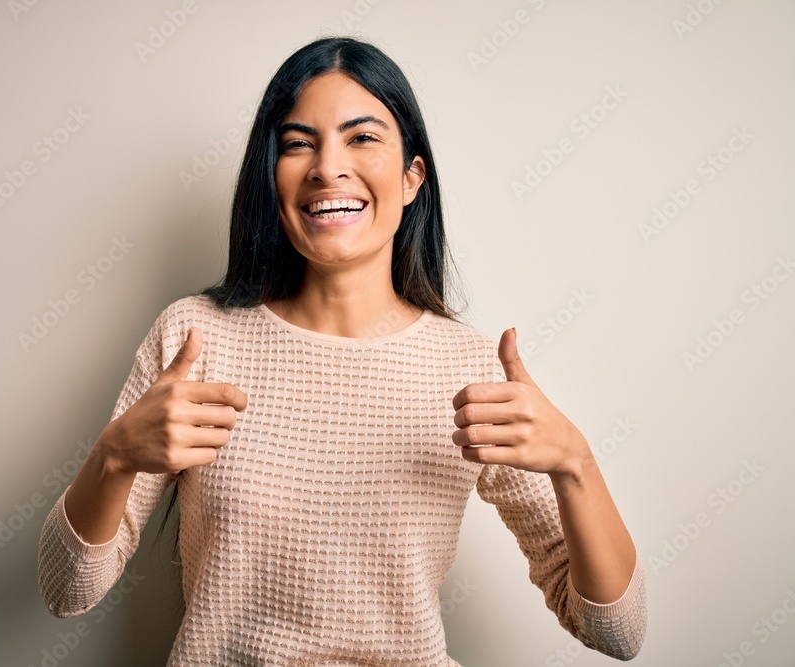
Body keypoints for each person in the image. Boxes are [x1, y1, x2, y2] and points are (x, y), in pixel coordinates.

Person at [37, 36, 646, 665]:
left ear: (412, 179)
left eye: (361, 138)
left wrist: (575, 462)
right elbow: (65, 590)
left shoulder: (470, 370)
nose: (328, 167)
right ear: (271, 178)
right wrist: (113, 457)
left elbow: (617, 632)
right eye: (298, 143)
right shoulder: (195, 339)